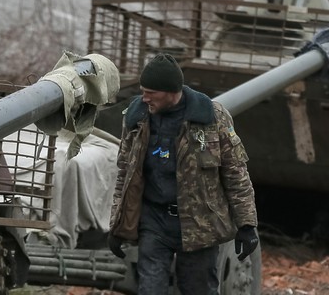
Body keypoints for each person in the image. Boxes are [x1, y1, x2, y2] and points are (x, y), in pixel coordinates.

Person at [107, 53, 259, 294]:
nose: (144, 97)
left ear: (171, 91)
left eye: (151, 93)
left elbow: (235, 173)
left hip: (200, 224)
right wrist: (117, 226)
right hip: (154, 222)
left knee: (198, 289)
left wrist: (247, 224)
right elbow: (125, 174)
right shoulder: (136, 118)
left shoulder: (213, 117)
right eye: (142, 91)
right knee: (149, 288)